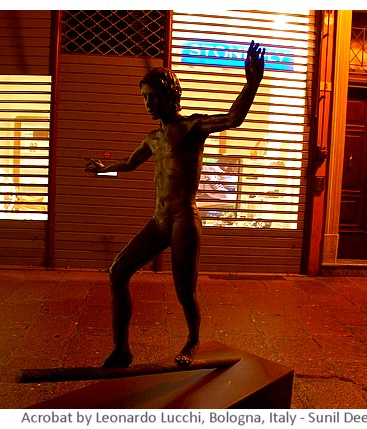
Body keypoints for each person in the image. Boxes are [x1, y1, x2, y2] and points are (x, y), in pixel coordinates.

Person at [85, 41, 265, 368]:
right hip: (159, 221)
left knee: (184, 290)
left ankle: (193, 339)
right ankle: (122, 349)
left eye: (153, 96)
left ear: (171, 96)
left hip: (184, 220)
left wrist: (252, 84)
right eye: (144, 97)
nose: (148, 103)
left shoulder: (192, 127)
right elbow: (129, 162)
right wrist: (104, 167)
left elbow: (233, 118)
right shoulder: (153, 139)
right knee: (118, 271)